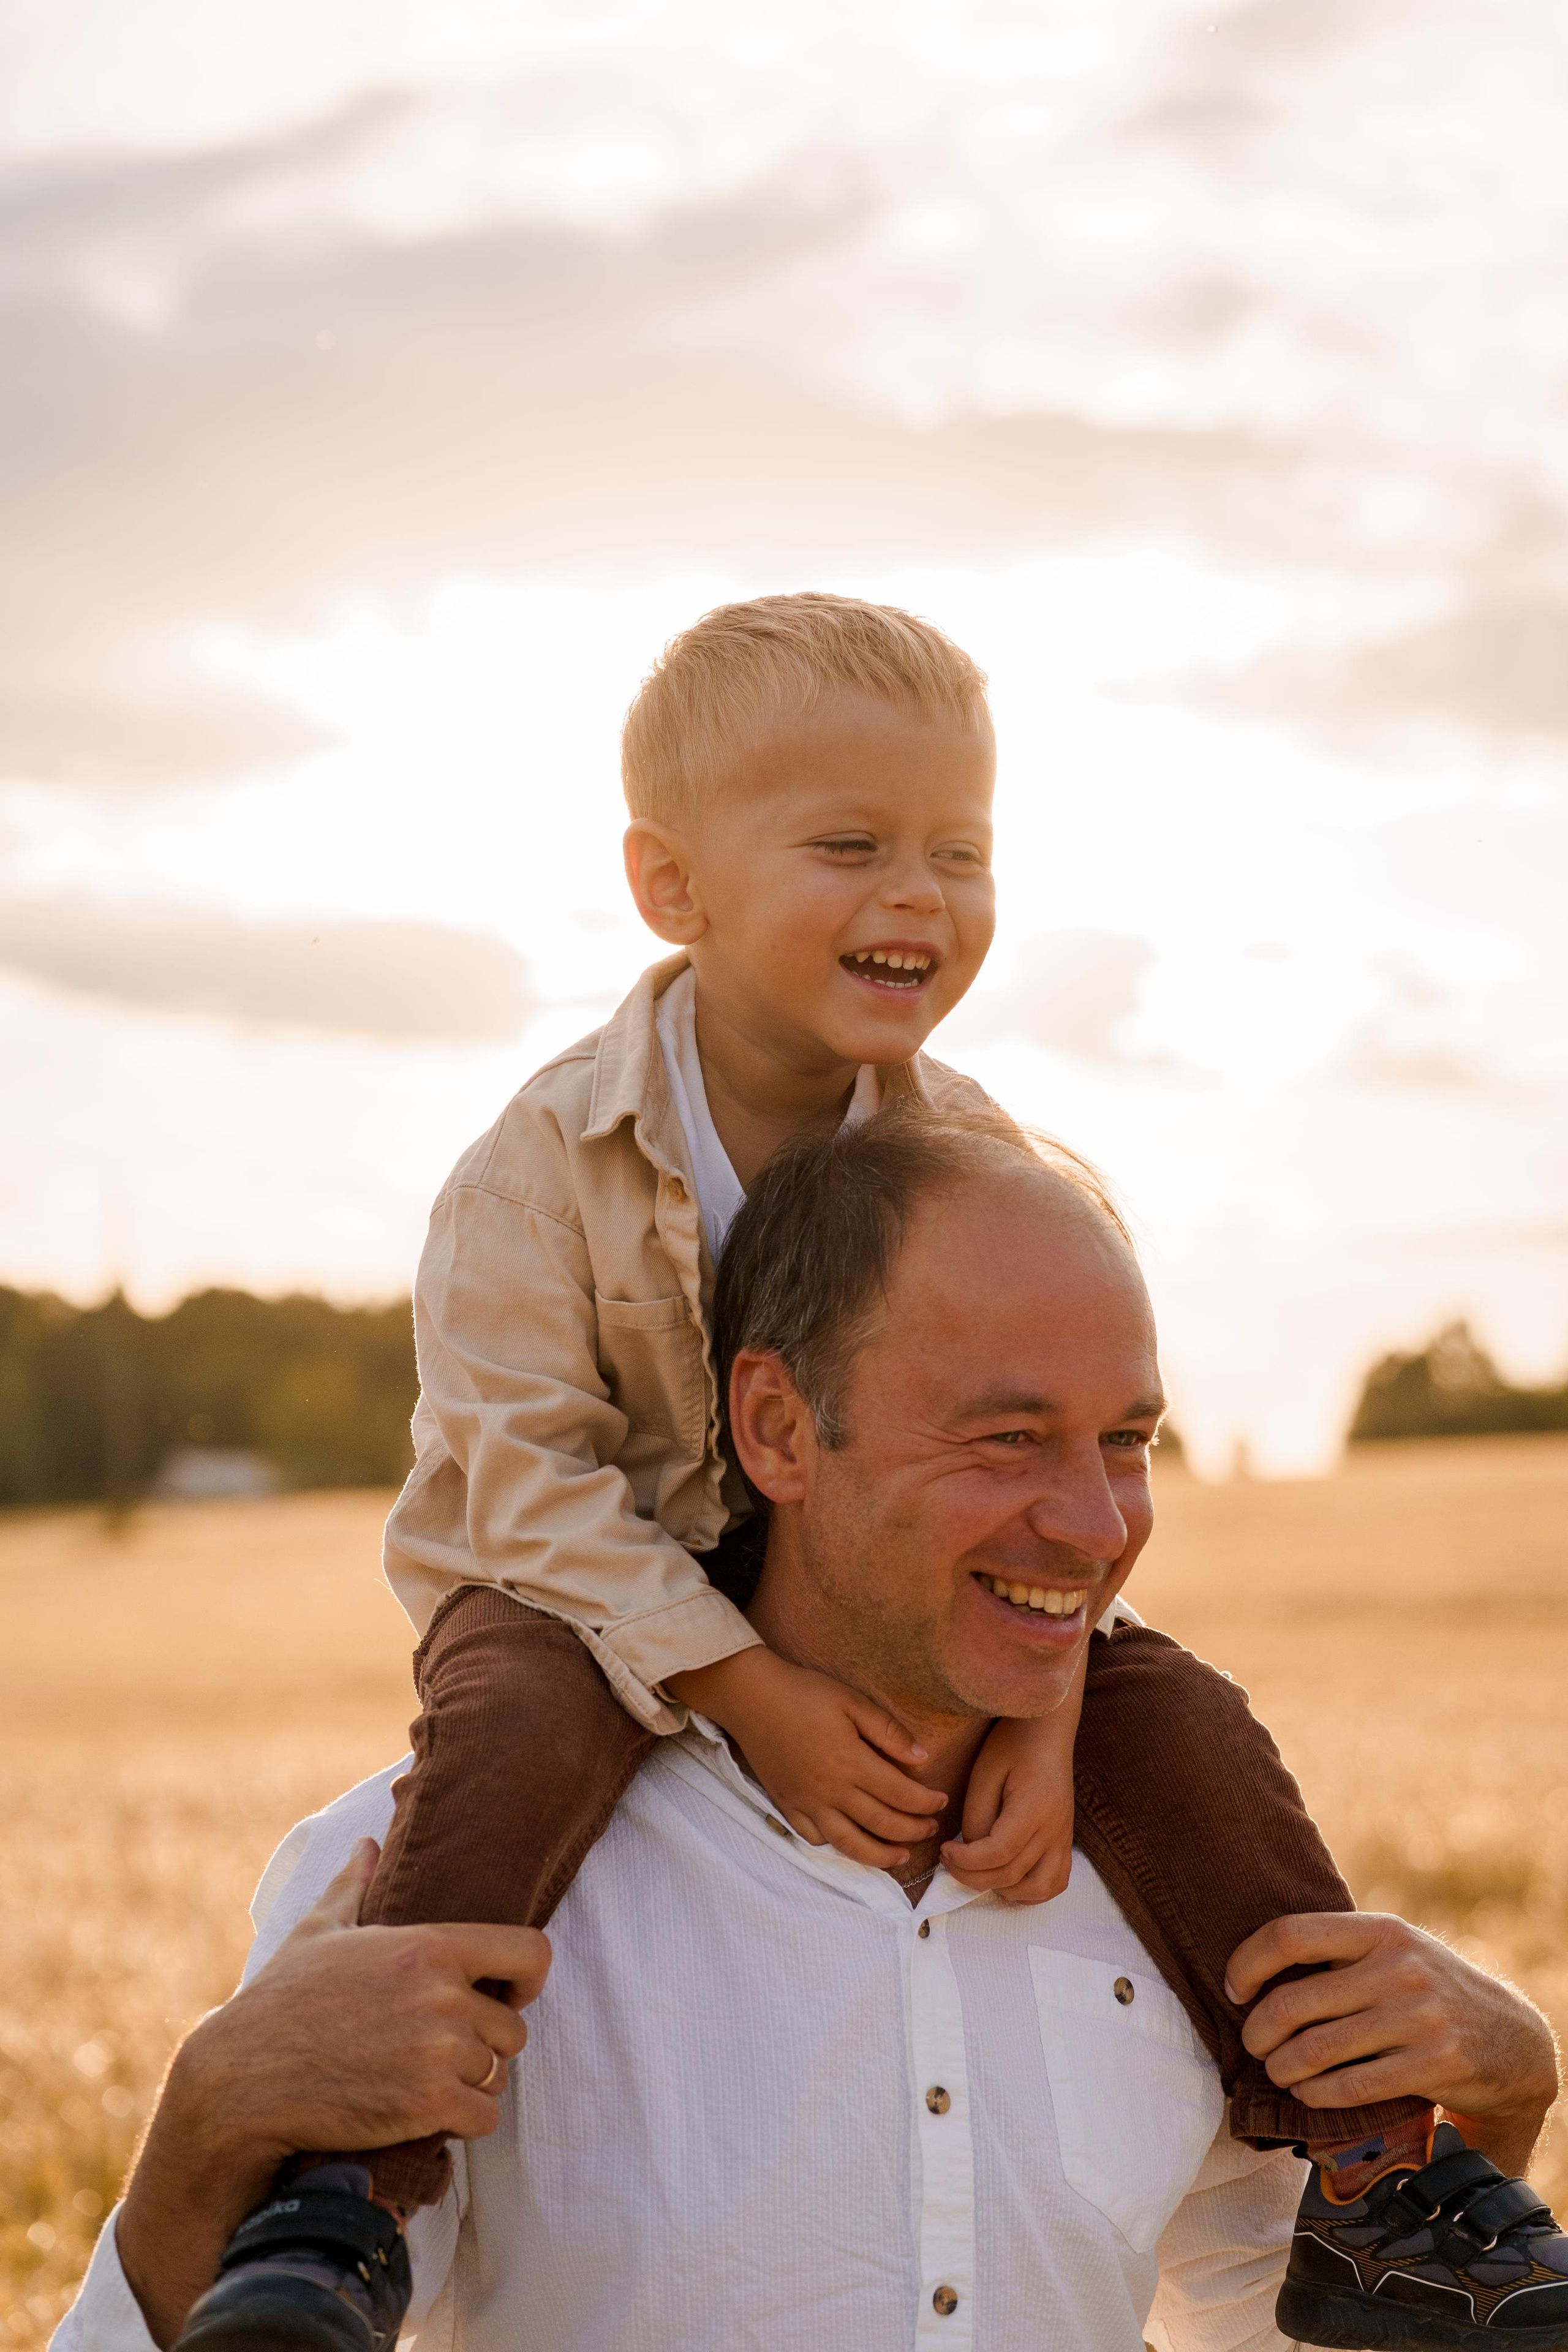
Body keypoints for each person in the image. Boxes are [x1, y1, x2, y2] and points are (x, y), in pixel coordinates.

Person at [134, 591, 1562, 2351]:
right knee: (510, 1733)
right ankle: (345, 2191)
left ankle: (1390, 2187)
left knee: (1184, 1721)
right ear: (673, 888)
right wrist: (751, 1693)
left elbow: (1039, 1511)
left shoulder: (980, 1157)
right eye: (851, 845)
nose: (920, 897)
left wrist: (1047, 1720)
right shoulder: (537, 1162)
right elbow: (523, 1484)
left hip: (862, 1621)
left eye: (962, 850)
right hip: (570, 1607)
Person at [62, 1109, 1564, 2351]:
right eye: (1006, 1437)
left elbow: (1298, 2333)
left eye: (1127, 1439)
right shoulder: (439, 1877)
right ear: (777, 1429)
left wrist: (1498, 2102)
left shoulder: (1181, 1878)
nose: (1097, 1524)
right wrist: (203, 2135)